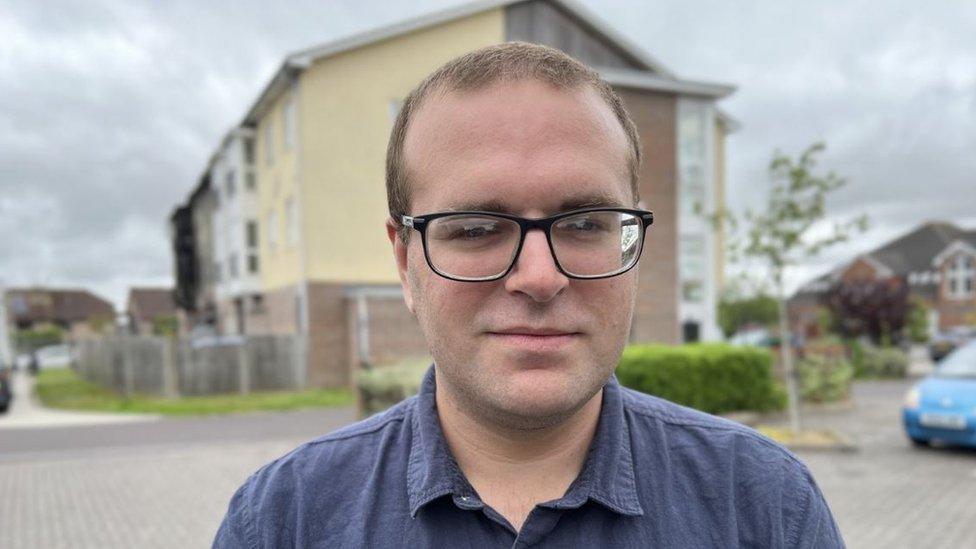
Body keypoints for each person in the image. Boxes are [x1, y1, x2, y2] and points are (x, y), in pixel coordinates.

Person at [214, 42, 844, 547]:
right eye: (478, 229)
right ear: (406, 263)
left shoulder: (764, 507)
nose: (540, 278)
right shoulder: (283, 521)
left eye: (585, 224)